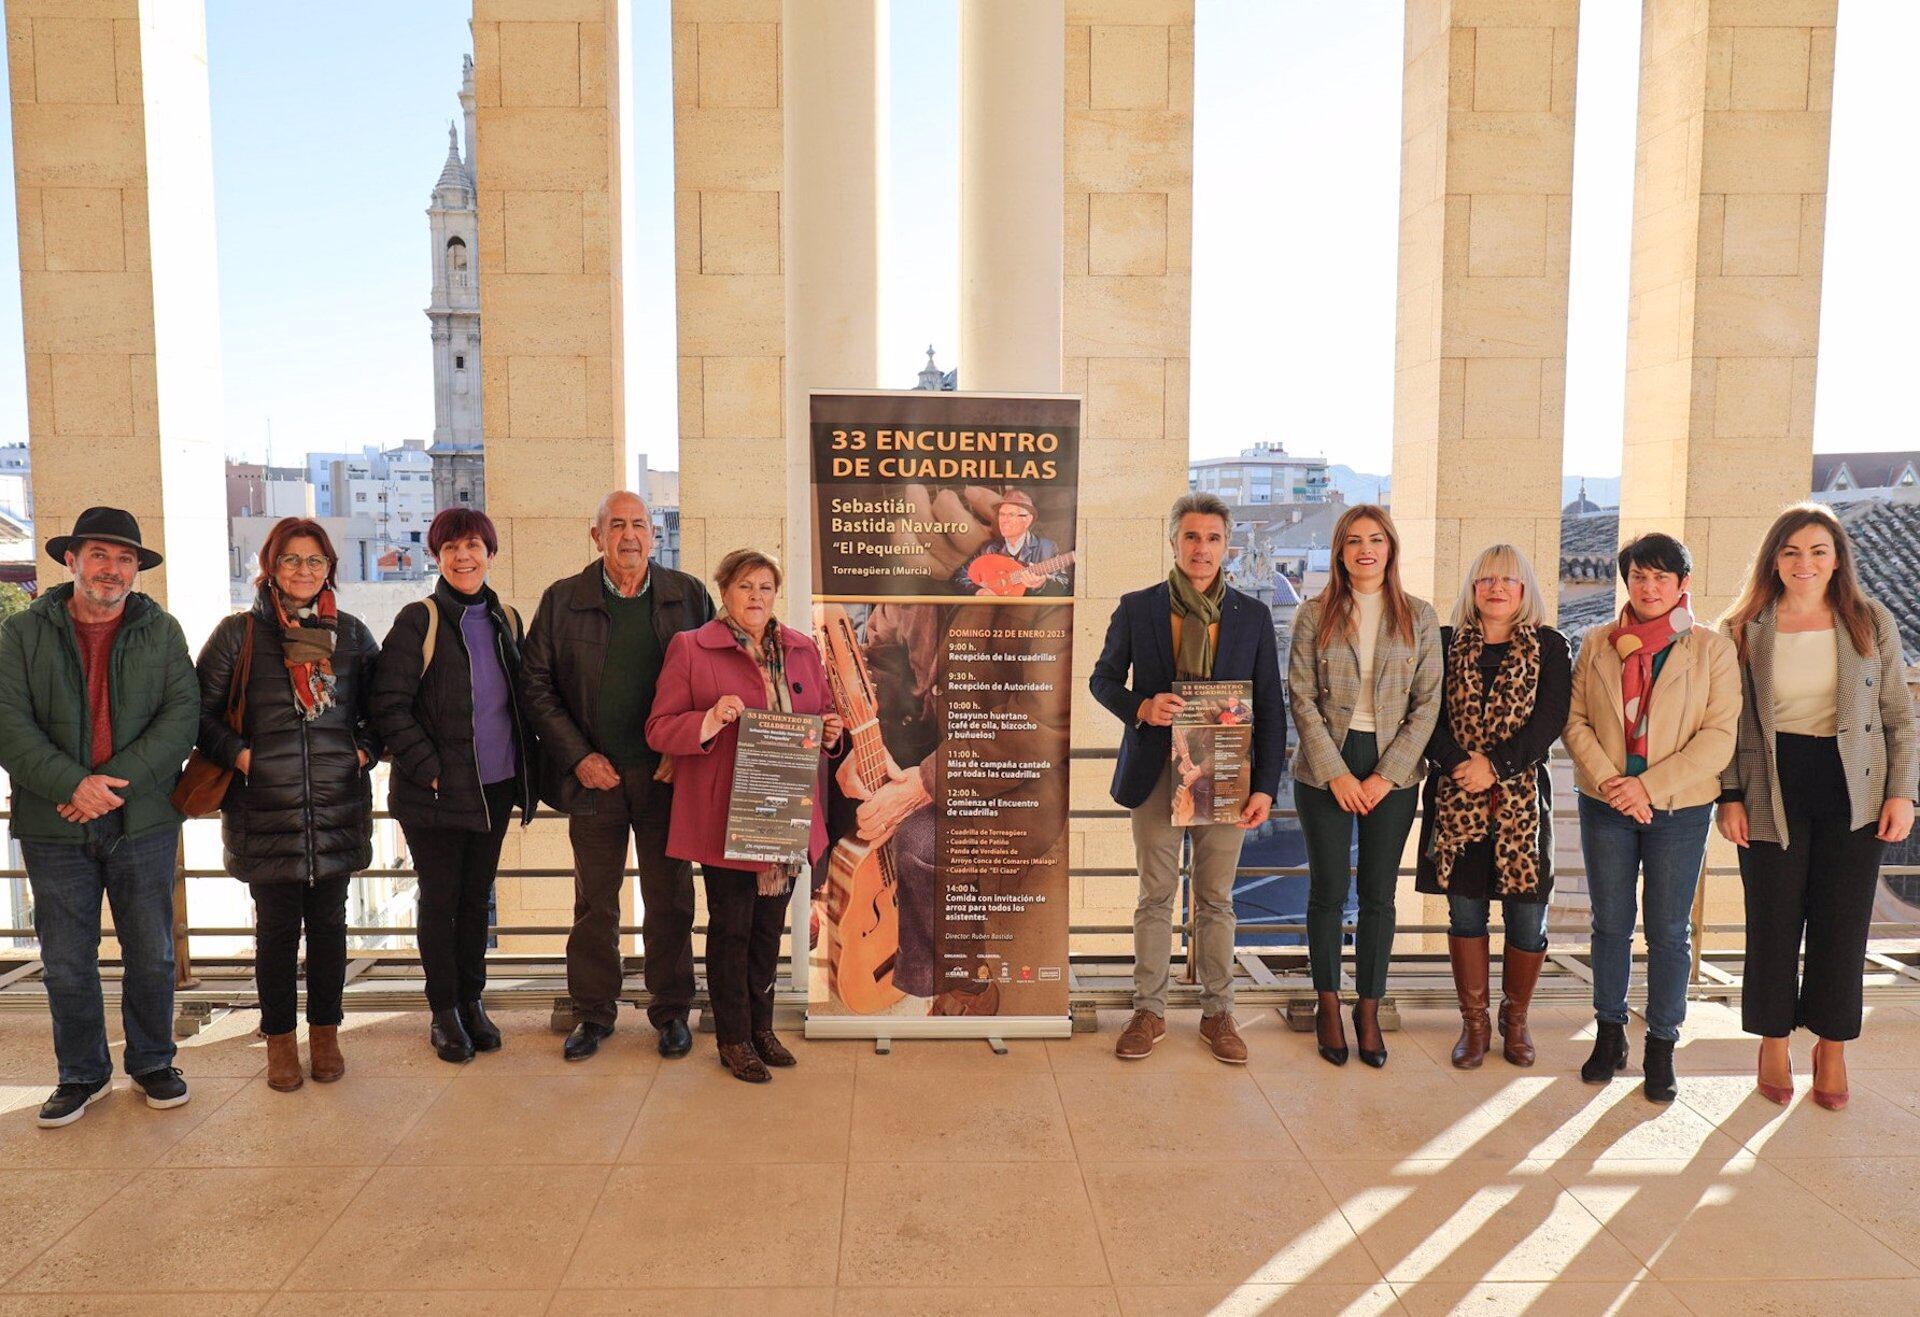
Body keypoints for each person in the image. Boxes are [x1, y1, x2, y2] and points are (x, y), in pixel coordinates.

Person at [0, 507, 199, 1127]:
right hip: (54, 820)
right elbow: (8, 720)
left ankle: (152, 1061)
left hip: (141, 818)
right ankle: (82, 1074)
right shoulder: (22, 634)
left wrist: (109, 787)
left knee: (153, 952)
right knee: (66, 957)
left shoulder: (161, 631)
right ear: (72, 560)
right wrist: (71, 785)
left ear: (136, 569)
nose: (112, 570)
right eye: (100, 556)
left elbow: (181, 718)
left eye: (125, 559)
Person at [1717, 504, 1916, 1111]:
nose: (1806, 563)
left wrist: (1903, 792)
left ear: (1837, 559)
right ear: (1774, 559)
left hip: (1853, 788)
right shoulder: (1745, 626)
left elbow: (1898, 714)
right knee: (1773, 921)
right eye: (1792, 552)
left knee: (1841, 924)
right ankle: (1772, 1042)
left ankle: (1831, 1048)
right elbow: (1729, 721)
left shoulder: (1869, 620)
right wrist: (1728, 795)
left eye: (1818, 551)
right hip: (1769, 785)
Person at [1089, 492, 1285, 1064]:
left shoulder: (1251, 615)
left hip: (1227, 773)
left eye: (1213, 539)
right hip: (1155, 772)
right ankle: (1148, 1011)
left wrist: (1266, 787)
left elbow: (1270, 707)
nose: (1202, 549)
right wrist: (1141, 708)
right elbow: (1102, 681)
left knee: (1216, 900)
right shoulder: (1138, 607)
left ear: (1228, 545)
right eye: (1192, 537)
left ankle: (1218, 1013)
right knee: (1155, 896)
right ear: (1174, 541)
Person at [520, 491, 715, 1062]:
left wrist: (684, 750)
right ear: (596, 534)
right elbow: (535, 685)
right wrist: (578, 755)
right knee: (595, 904)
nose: (629, 535)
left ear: (653, 535)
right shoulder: (562, 600)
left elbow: (714, 675)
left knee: (671, 898)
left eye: (639, 525)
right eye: (617, 525)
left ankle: (672, 1011)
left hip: (665, 776)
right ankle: (593, 1013)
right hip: (593, 777)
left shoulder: (688, 595)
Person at [194, 518, 380, 1092]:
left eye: (315, 561)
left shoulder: (350, 635)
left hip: (334, 805)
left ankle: (325, 1032)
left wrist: (364, 754)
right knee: (275, 933)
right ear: (270, 567)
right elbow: (198, 716)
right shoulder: (239, 635)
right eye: (292, 561)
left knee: (329, 928)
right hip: (264, 807)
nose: (304, 571)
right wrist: (244, 757)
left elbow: (384, 709)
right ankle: (279, 1040)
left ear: (330, 568)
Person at [648, 550, 841, 1081]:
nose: (756, 597)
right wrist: (709, 719)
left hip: (785, 811)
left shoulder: (802, 649)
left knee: (767, 931)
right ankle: (732, 1038)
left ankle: (761, 1028)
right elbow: (659, 729)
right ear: (724, 592)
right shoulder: (691, 648)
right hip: (725, 815)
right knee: (731, 929)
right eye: (744, 586)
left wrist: (829, 732)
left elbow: (821, 714)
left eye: (765, 587)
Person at [1563, 532, 1738, 1103]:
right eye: (1639, 576)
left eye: (1662, 577)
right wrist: (1618, 788)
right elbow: (1576, 721)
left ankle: (1661, 1044)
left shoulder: (1712, 649)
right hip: (1606, 806)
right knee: (1609, 924)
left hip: (1679, 809)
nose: (1650, 586)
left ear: (1682, 584)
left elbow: (1718, 740)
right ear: (1628, 581)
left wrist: (1645, 786)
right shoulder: (1596, 643)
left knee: (1668, 932)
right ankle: (1609, 1033)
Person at [371, 508, 539, 1063]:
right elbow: (387, 706)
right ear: (436, 557)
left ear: (491, 552)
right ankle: (443, 1011)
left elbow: (520, 701)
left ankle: (472, 1002)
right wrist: (429, 766)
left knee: (474, 900)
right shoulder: (419, 620)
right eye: (450, 548)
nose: (463, 557)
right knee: (440, 899)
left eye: (472, 546)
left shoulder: (505, 619)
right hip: (436, 793)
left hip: (493, 786)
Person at [1289, 503, 1441, 1069]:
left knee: (1379, 893)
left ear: (1391, 548)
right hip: (1325, 765)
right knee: (1327, 890)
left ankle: (1368, 1007)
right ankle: (1328, 1002)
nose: (1365, 550)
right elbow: (1300, 699)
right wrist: (1337, 773)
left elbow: (1428, 706)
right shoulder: (1315, 614)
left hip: (1392, 770)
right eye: (1353, 541)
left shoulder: (1419, 617)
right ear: (1339, 551)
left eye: (1375, 539)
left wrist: (1383, 776)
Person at [1415, 546, 1571, 1068]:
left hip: (1522, 804)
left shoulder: (1550, 648)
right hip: (1456, 799)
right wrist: (1462, 763)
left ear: (1525, 589)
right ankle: (1475, 1024)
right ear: (1471, 589)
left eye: (1508, 580)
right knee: (1466, 914)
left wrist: (1496, 767)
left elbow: (1549, 723)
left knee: (1528, 920)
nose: (1495, 589)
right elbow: (1425, 716)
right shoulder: (1443, 644)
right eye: (1485, 580)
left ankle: (1516, 1021)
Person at [952, 490, 1071, 596]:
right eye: (1002, 514)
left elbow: (1064, 584)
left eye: (1011, 515)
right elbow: (960, 577)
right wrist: (979, 591)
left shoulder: (1046, 547)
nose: (1004, 520)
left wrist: (1043, 583)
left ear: (1027, 520)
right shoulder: (989, 548)